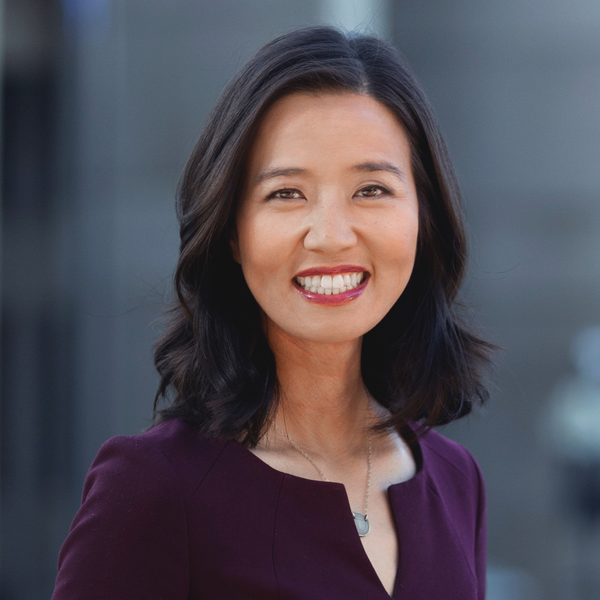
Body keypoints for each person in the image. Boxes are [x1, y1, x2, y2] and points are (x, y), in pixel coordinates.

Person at [52, 26, 493, 599]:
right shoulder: (154, 489)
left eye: (371, 190)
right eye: (286, 193)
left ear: (423, 216)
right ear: (231, 231)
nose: (331, 236)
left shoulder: (456, 480)